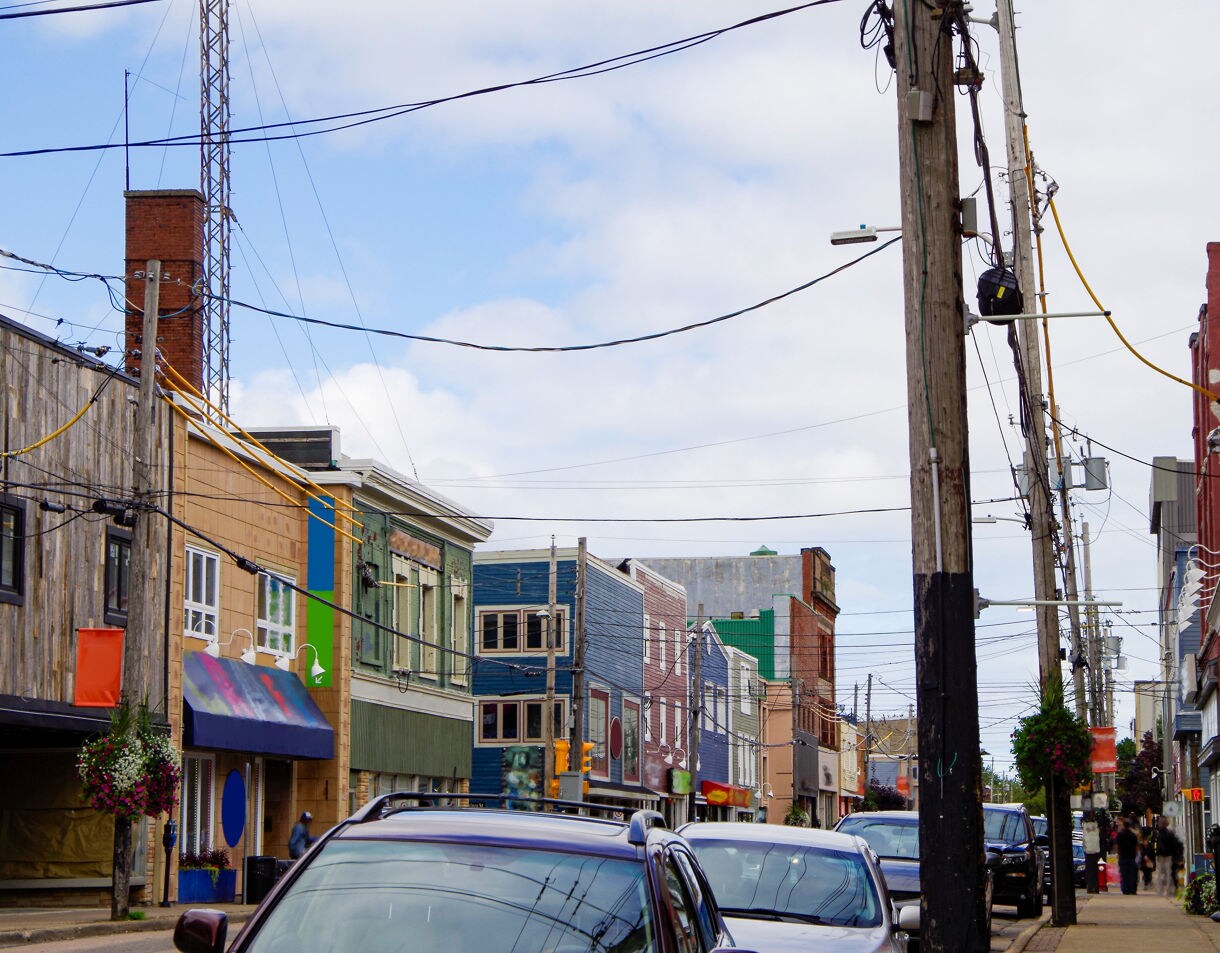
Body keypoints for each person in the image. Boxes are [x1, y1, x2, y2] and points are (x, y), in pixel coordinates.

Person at [1153, 817, 1181, 897]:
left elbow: (1156, 845)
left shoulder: (1158, 834)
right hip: (1168, 855)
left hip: (1161, 856)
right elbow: (1175, 845)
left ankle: (1160, 891)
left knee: (1161, 874)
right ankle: (1168, 890)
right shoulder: (1170, 833)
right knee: (1168, 874)